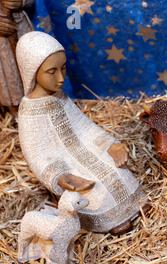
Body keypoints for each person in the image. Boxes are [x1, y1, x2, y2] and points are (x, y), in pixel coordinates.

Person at [16, 31, 143, 235]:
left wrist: (111, 145)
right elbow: (37, 154)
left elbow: (84, 127)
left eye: (63, 68)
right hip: (65, 164)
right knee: (95, 188)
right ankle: (112, 221)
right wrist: (60, 177)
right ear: (32, 72)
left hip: (87, 150)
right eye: (52, 71)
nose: (60, 78)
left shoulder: (60, 97)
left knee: (116, 169)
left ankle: (135, 206)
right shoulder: (29, 112)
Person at [0, 0, 34, 113]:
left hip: (20, 26)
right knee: (9, 79)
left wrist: (21, 2)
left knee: (32, 69)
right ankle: (16, 113)